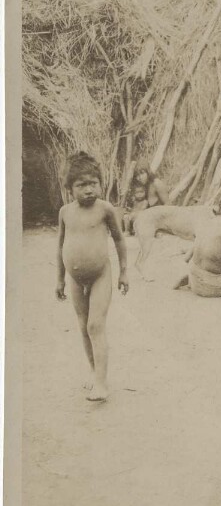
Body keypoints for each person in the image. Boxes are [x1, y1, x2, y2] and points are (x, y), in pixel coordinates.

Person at [56, 152, 129, 402]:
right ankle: (93, 371)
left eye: (93, 183)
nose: (89, 190)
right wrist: (60, 279)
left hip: (100, 274)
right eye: (81, 185)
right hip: (75, 279)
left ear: (101, 183)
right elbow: (60, 245)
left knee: (95, 325)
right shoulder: (65, 212)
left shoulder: (105, 209)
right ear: (69, 189)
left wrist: (124, 272)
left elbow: (119, 239)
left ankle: (101, 383)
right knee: (82, 326)